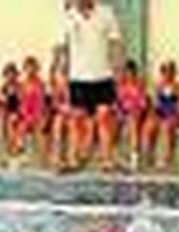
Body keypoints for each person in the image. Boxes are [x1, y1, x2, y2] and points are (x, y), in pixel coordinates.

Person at [55, 0, 123, 170]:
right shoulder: (68, 16)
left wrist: (118, 70)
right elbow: (62, 48)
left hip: (103, 75)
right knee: (77, 119)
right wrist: (58, 73)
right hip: (78, 77)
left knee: (104, 118)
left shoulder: (106, 13)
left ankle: (106, 159)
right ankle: (75, 159)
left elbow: (115, 44)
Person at [145, 59, 179, 171]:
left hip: (173, 115)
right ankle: (149, 155)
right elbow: (154, 105)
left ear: (174, 73)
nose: (168, 74)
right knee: (150, 126)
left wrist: (176, 114)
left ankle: (167, 157)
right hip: (160, 114)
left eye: (170, 71)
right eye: (165, 72)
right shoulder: (157, 87)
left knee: (167, 127)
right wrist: (154, 116)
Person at [115, 59, 149, 170]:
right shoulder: (121, 86)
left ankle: (134, 158)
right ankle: (117, 155)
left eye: (130, 72)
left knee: (132, 122)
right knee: (116, 123)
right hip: (123, 113)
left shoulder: (139, 85)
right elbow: (118, 102)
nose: (128, 74)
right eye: (126, 72)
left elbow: (143, 102)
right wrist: (120, 111)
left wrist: (135, 109)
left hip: (136, 113)